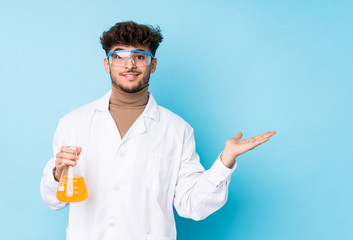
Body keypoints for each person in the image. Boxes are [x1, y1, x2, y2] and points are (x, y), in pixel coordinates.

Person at [40, 21, 276, 240]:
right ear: (107, 64)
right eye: (119, 56)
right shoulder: (73, 123)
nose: (129, 65)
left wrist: (225, 161)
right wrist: (57, 175)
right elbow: (52, 201)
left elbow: (192, 205)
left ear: (153, 64)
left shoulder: (177, 129)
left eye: (139, 56)